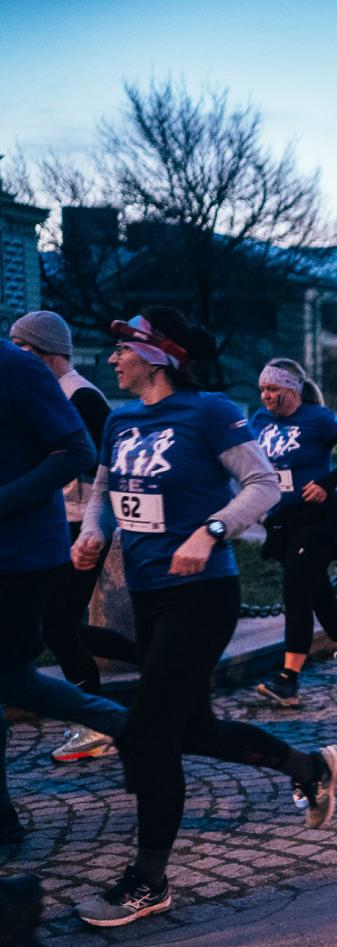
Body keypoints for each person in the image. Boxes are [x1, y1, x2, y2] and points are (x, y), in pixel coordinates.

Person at [72, 309, 337, 927]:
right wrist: (92, 532)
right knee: (192, 729)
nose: (112, 359)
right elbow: (104, 493)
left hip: (201, 593)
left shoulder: (210, 411)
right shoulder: (120, 419)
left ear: (158, 355)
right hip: (149, 593)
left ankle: (149, 880)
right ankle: (308, 767)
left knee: (149, 731)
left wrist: (213, 530)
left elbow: (263, 484)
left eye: (123, 348)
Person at [0, 339, 125, 845]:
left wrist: (92, 524)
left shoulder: (25, 371)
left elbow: (86, 454)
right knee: (23, 669)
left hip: (30, 549)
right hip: (40, 539)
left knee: (32, 658)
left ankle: (129, 726)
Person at [10, 311, 135, 761]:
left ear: (45, 351)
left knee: (59, 626)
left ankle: (97, 724)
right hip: (63, 522)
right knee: (61, 624)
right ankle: (151, 662)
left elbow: (108, 461)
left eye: (22, 348)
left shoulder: (80, 395)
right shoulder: (52, 390)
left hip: (81, 523)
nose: (16, 356)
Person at [250, 359, 337, 704]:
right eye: (262, 389)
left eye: (273, 388)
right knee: (318, 594)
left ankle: (288, 680)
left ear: (293, 390)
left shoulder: (320, 419)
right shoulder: (260, 421)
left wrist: (325, 483)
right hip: (282, 520)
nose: (266, 395)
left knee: (296, 592)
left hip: (317, 518)